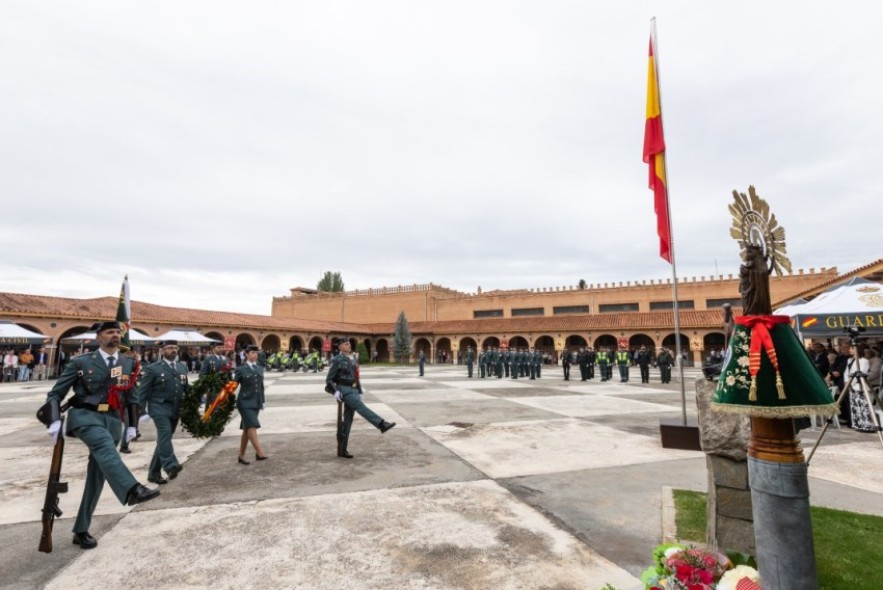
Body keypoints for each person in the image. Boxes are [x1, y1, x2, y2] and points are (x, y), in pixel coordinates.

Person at [41, 321, 159, 550]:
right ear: (99, 337)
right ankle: (133, 489)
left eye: (118, 332)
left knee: (98, 475)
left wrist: (132, 425)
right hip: (86, 417)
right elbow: (55, 393)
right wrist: (53, 420)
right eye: (110, 332)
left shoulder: (129, 362)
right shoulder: (80, 362)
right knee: (105, 448)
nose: (115, 335)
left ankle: (81, 529)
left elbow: (132, 397)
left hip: (113, 420)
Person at [327, 340, 395, 459]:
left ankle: (342, 449)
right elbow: (329, 379)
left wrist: (359, 391)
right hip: (344, 390)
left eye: (349, 344)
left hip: (353, 389)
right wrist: (336, 391)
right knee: (360, 406)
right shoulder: (337, 359)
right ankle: (381, 424)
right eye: (346, 344)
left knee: (348, 421)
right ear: (340, 346)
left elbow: (356, 377)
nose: (349, 345)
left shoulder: (352, 359)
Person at [137, 341, 188, 483]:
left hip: (175, 407)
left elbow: (185, 388)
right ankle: (171, 466)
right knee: (164, 433)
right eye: (170, 348)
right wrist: (141, 411)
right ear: (162, 350)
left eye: (175, 348)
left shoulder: (182, 367)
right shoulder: (153, 368)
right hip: (158, 406)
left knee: (164, 440)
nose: (173, 350)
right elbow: (143, 391)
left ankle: (153, 473)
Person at [234, 345, 268, 464]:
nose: (255, 355)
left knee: (247, 428)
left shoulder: (259, 368)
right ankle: (259, 452)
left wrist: (263, 400)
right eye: (252, 352)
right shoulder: (240, 369)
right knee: (252, 425)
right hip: (244, 402)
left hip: (256, 402)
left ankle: (241, 456)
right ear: (247, 354)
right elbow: (233, 385)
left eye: (256, 353)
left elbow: (261, 387)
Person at [846, 344, 875, 432]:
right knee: (855, 406)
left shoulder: (864, 361)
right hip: (851, 385)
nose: (849, 350)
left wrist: (852, 381)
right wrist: (848, 382)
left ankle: (866, 426)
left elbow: (861, 373)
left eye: (851, 348)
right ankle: (858, 424)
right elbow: (847, 372)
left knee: (863, 406)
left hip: (860, 385)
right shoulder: (850, 360)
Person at [200, 343, 229, 409]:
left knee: (222, 407)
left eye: (222, 347)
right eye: (219, 347)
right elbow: (202, 374)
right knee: (212, 407)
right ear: (213, 349)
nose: (221, 349)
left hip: (223, 387)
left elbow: (228, 373)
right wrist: (207, 384)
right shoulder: (208, 359)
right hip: (213, 388)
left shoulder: (225, 359)